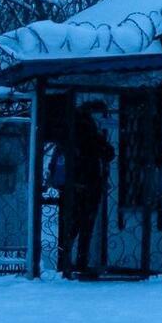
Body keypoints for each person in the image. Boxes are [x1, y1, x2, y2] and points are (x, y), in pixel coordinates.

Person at [58, 99, 115, 275]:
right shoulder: (87, 131)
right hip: (88, 182)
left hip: (73, 184)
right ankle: (78, 261)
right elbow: (107, 152)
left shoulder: (70, 129)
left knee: (73, 224)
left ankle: (65, 260)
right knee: (84, 224)